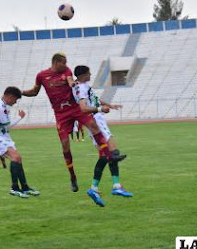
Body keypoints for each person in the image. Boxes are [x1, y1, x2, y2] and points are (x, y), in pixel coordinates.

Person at [22, 53, 125, 192]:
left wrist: (72, 83)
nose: (66, 65)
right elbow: (34, 92)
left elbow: (70, 80)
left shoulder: (67, 71)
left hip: (75, 109)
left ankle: (110, 159)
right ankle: (73, 177)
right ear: (56, 62)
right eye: (64, 63)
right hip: (61, 113)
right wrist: (20, 92)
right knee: (65, 146)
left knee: (94, 126)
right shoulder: (42, 76)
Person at [73, 65, 132, 207]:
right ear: (82, 75)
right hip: (94, 120)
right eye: (88, 73)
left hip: (97, 119)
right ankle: (113, 187)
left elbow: (95, 100)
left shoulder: (83, 86)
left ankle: (105, 187)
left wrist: (109, 105)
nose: (90, 75)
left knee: (107, 155)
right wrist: (100, 109)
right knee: (111, 151)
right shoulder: (80, 88)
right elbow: (83, 108)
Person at [0, 87, 40, 198]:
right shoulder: (0, 107)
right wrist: (20, 117)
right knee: (15, 158)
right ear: (10, 96)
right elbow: (8, 126)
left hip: (0, 134)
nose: (15, 102)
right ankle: (14, 188)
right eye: (15, 100)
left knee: (18, 158)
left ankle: (24, 187)